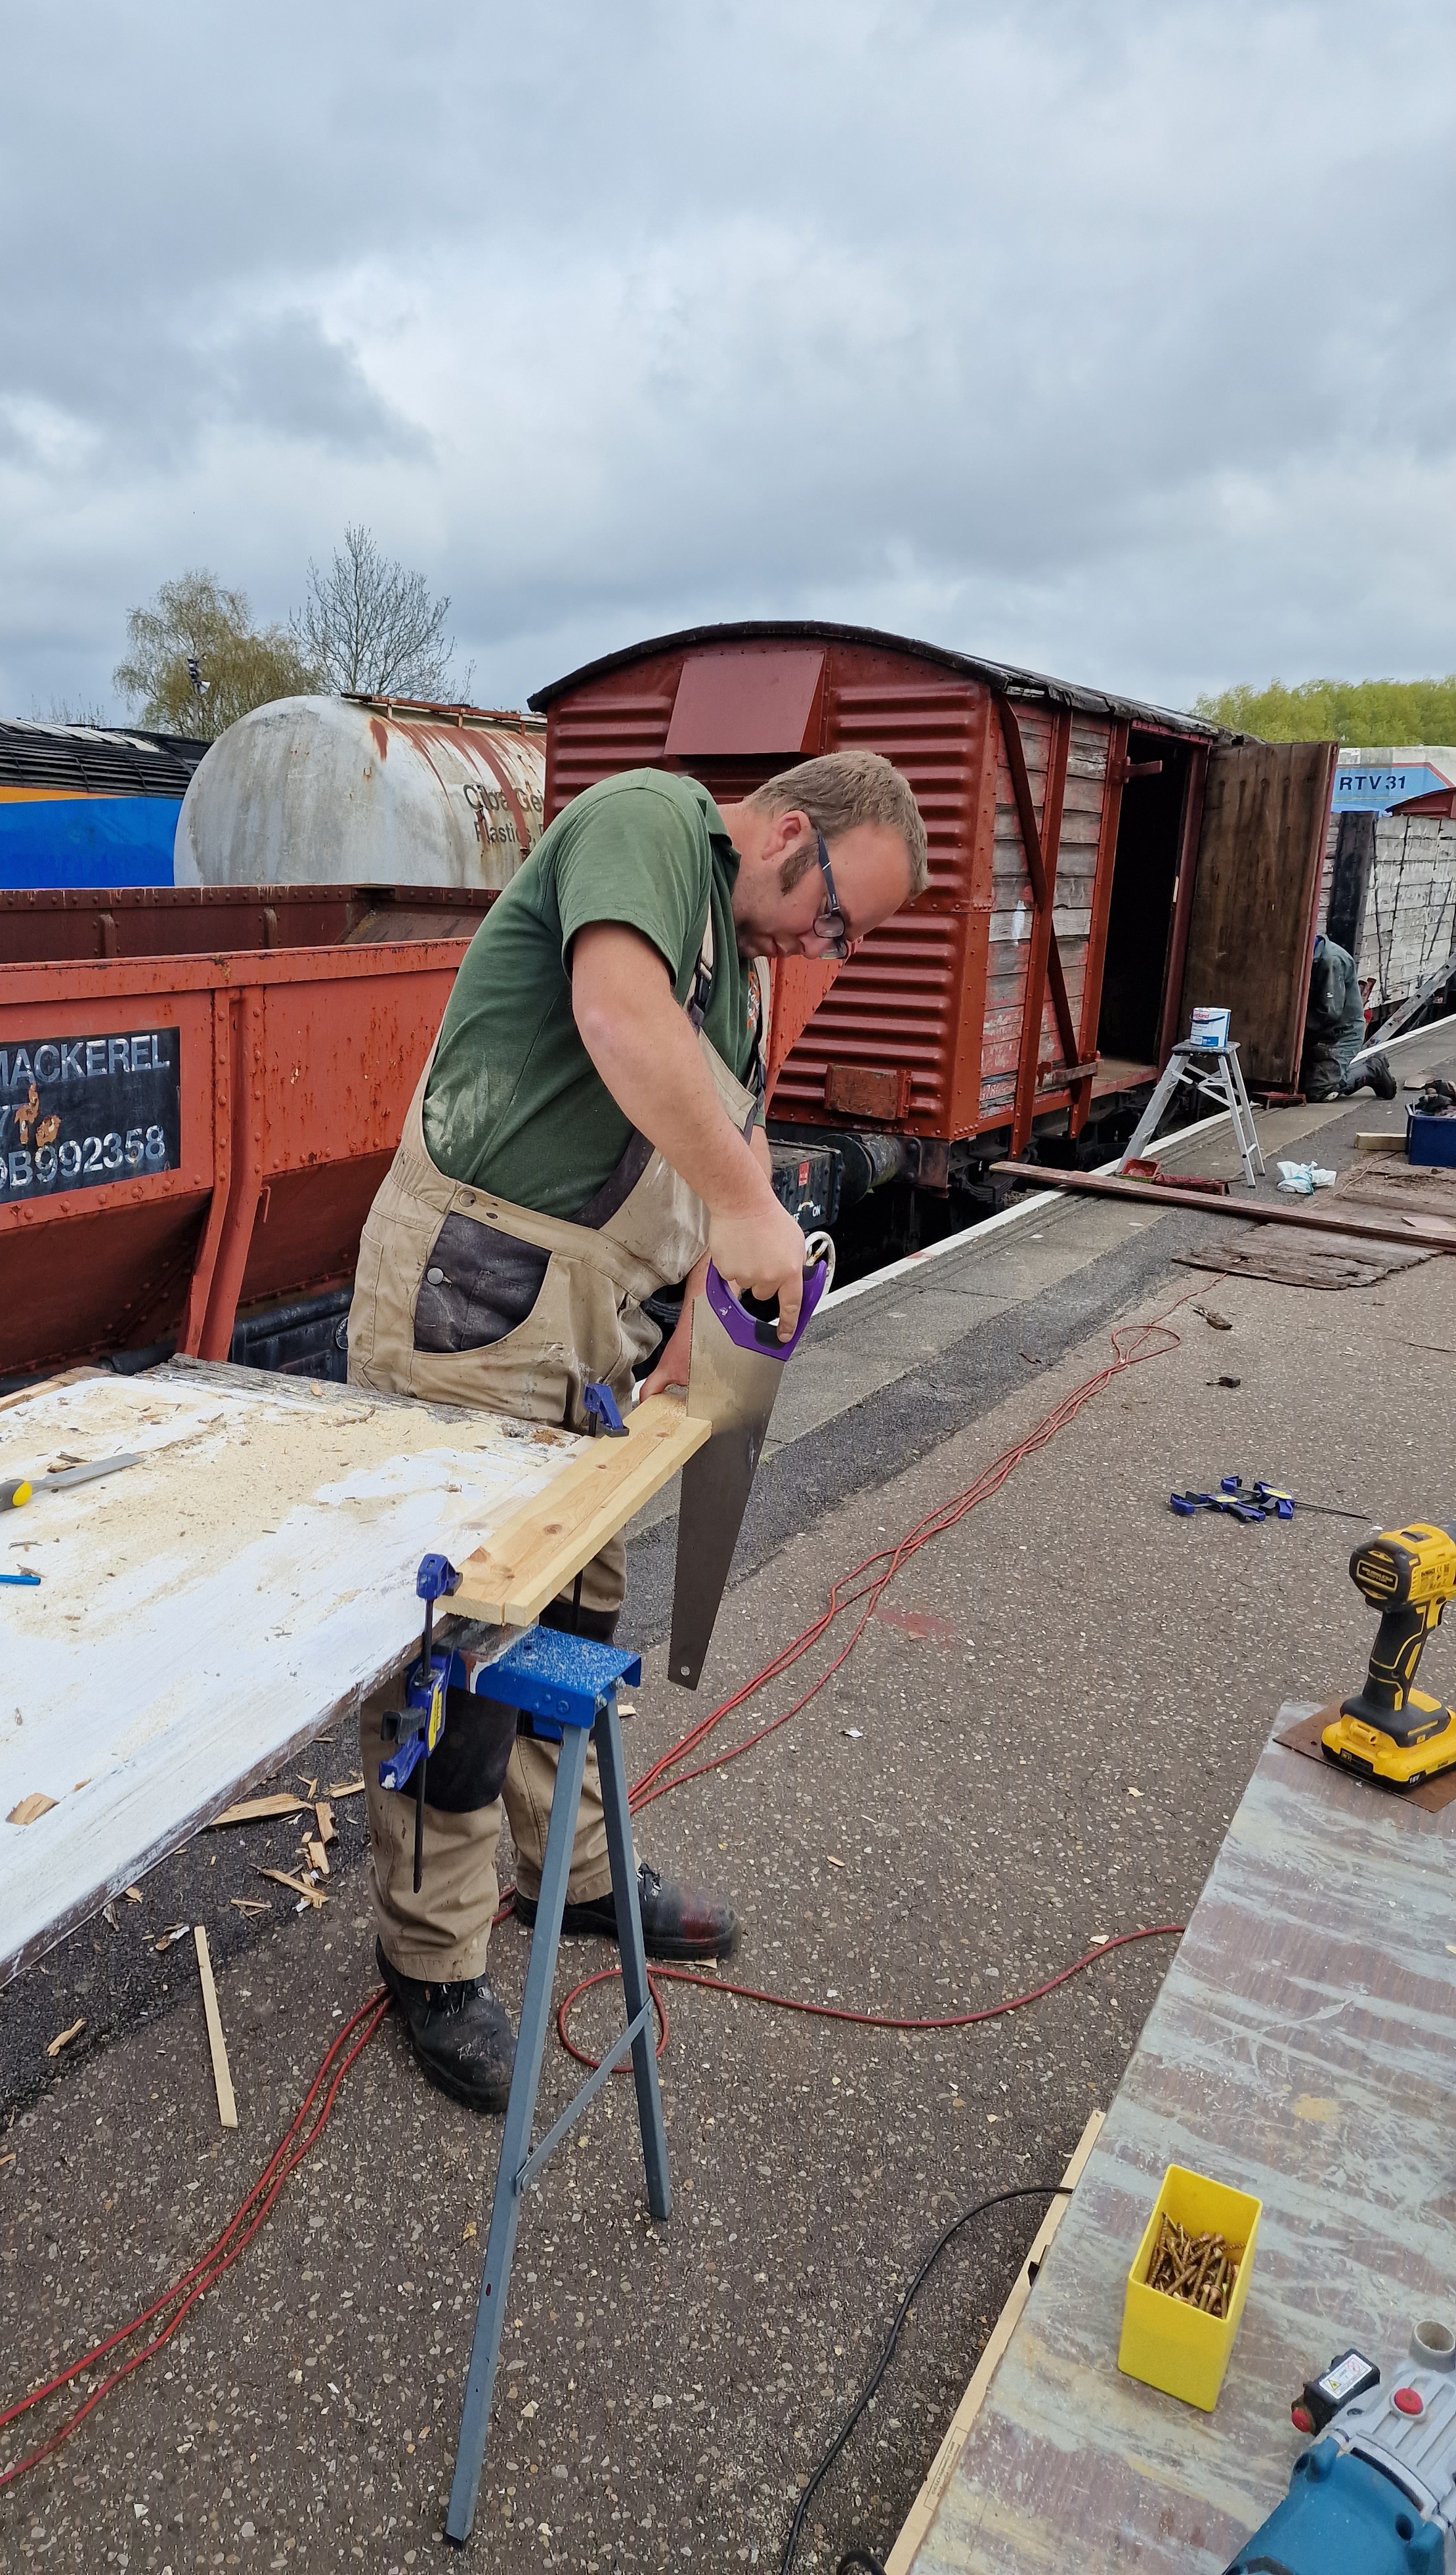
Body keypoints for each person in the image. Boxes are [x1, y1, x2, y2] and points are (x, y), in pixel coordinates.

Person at [346, 749, 928, 2109]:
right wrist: (744, 1210)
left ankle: (574, 1872)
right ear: (786, 831)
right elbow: (613, 1013)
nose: (826, 947)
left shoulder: (735, 975)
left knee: (578, 1619)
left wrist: (696, 1326)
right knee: (468, 1654)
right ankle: (430, 1960)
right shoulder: (651, 821)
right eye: (836, 916)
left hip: (591, 1318)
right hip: (476, 1288)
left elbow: (717, 1146)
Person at [1303, 930, 1394, 1100]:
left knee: (1318, 1090)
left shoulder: (1332, 961)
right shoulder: (1316, 954)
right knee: (1298, 1083)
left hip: (1342, 1034)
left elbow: (1329, 1013)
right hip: (1321, 1033)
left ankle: (1372, 1070)